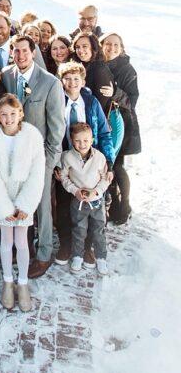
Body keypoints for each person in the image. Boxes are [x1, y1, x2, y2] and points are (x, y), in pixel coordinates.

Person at [1, 36, 65, 278]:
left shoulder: (50, 83)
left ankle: (44, 253)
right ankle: (22, 247)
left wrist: (49, 161)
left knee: (42, 208)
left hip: (40, 159)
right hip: (12, 155)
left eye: (24, 51)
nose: (20, 56)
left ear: (33, 51)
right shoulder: (6, 76)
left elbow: (57, 128)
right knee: (18, 203)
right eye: (16, 51)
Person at [0, 94, 45, 312]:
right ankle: (8, 281)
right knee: (7, 241)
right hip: (4, 198)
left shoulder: (32, 136)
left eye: (13, 113)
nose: (8, 118)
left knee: (22, 242)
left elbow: (37, 172)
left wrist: (25, 205)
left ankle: (23, 283)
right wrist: (4, 207)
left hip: (23, 198)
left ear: (20, 113)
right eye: (3, 114)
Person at [54, 61, 115, 266]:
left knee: (90, 206)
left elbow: (105, 133)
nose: (72, 83)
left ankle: (86, 248)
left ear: (83, 81)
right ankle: (66, 244)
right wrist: (55, 164)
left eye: (76, 79)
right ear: (62, 81)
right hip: (65, 162)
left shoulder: (91, 102)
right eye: (67, 78)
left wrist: (109, 163)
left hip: (89, 163)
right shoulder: (56, 101)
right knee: (64, 206)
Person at [100, 32, 141, 224]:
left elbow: (132, 100)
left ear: (122, 48)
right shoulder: (98, 64)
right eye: (108, 44)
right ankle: (112, 203)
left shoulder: (127, 69)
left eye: (116, 45)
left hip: (121, 122)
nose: (112, 48)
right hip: (102, 120)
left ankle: (124, 205)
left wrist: (115, 93)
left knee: (117, 165)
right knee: (106, 165)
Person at [60, 123, 110, 275]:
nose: (82, 144)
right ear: (72, 140)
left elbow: (105, 179)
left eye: (86, 140)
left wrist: (97, 191)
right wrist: (74, 191)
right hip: (78, 201)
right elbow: (64, 177)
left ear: (92, 140)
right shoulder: (67, 157)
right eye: (78, 141)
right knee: (79, 230)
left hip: (96, 200)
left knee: (98, 230)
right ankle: (77, 256)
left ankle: (101, 258)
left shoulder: (100, 157)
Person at [72, 32, 114, 111]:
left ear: (93, 47)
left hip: (92, 119)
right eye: (77, 47)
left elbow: (100, 104)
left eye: (84, 46)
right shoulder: (79, 66)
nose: (80, 50)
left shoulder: (100, 69)